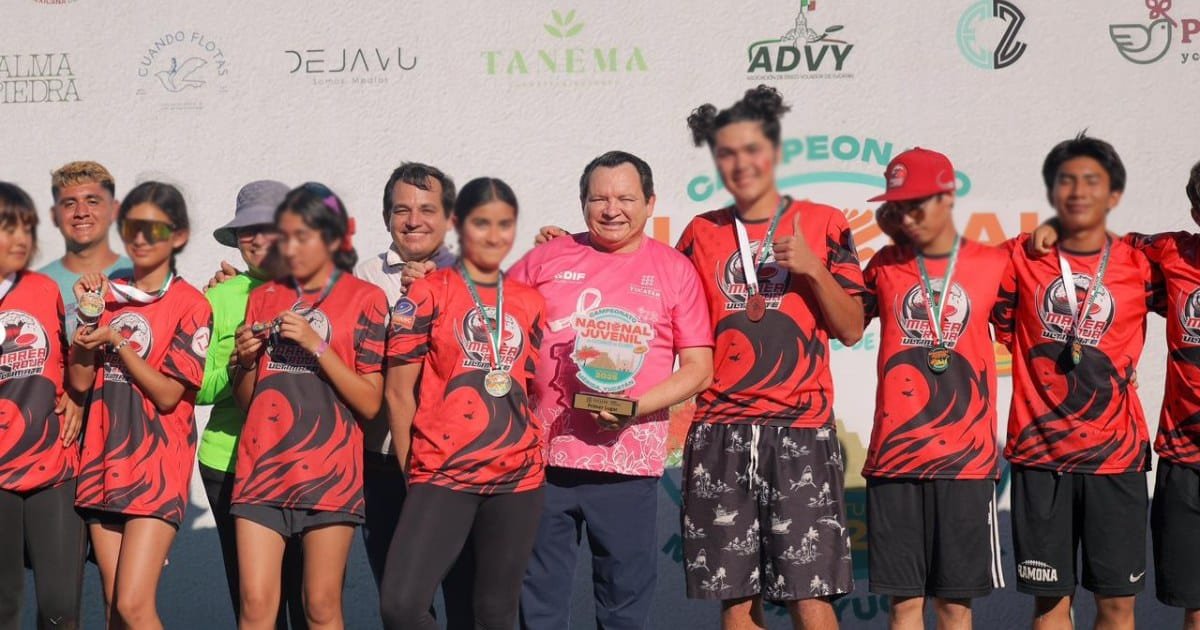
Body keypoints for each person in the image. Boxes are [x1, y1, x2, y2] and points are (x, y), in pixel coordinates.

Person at [677, 85, 864, 629]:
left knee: (812, 597)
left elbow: (851, 328)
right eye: (727, 152)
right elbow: (650, 292)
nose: (741, 163)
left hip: (799, 429)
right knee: (736, 599)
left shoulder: (824, 223)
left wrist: (812, 267)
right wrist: (571, 244)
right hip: (720, 430)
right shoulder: (701, 232)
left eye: (752, 148)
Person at [512, 151, 714, 629]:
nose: (611, 209)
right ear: (582, 203)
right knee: (538, 601)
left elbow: (699, 369)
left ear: (649, 203)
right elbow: (497, 337)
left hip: (627, 464)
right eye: (598, 198)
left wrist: (632, 407)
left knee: (624, 605)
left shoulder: (674, 269)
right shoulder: (544, 258)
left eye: (625, 197)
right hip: (541, 459)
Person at [991, 134, 1157, 630]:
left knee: (1116, 607)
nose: (1079, 192)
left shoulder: (1143, 261)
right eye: (1067, 181)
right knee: (1050, 606)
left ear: (1114, 193)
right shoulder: (1019, 256)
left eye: (1092, 181)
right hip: (1041, 458)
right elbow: (952, 268)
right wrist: (1044, 231)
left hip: (1117, 459)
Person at [1029, 160, 1200, 629]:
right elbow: (1102, 247)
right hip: (1187, 460)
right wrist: (1057, 225)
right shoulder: (1169, 253)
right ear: (1196, 212)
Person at [380, 177, 546, 630]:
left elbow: (528, 388)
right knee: (401, 605)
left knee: (495, 613)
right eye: (479, 223)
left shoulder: (530, 301)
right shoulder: (428, 292)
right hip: (442, 470)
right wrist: (412, 470)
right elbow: (398, 392)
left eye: (502, 225)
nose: (491, 236)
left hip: (517, 477)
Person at [861, 149, 1007, 630]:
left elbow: (1036, 333)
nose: (907, 215)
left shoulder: (995, 262)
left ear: (948, 197)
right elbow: (843, 323)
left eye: (917, 203)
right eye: (898, 206)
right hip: (895, 457)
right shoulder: (884, 264)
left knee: (954, 607)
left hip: (965, 463)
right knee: (903, 606)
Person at [231, 182, 388, 629]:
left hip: (330, 471)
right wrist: (243, 362)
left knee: (320, 607)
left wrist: (317, 344)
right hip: (261, 467)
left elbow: (371, 402)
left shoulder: (366, 299)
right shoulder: (263, 296)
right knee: (256, 607)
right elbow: (249, 401)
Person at [68, 181, 212, 628]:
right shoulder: (106, 295)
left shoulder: (191, 304)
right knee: (113, 605)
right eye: (132, 226)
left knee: (134, 605)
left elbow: (170, 394)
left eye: (154, 227)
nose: (141, 237)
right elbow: (80, 380)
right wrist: (89, 318)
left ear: (179, 235)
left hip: (155, 468)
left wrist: (118, 341)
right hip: (102, 461)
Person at [196, 180, 307, 629]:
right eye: (246, 231)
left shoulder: (318, 289)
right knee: (254, 603)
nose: (257, 239)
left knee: (308, 600)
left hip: (305, 463)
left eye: (268, 227)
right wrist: (238, 365)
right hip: (230, 462)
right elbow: (196, 386)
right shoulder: (218, 297)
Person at [353, 162, 456, 587]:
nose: (414, 221)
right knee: (400, 594)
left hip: (457, 460)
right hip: (381, 460)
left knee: (463, 588)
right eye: (402, 210)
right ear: (386, 218)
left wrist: (439, 292)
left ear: (449, 218)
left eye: (428, 209)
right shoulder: (363, 276)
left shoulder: (474, 274)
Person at [0, 182, 86, 630]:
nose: (21, 239)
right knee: (5, 607)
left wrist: (76, 394)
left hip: (52, 465)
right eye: (7, 227)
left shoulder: (44, 289)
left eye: (27, 229)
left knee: (60, 609)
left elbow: (69, 357)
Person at [38, 161, 132, 337]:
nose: (81, 212)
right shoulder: (35, 286)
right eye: (69, 204)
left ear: (114, 210)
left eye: (93, 201)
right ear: (54, 216)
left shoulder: (139, 277)